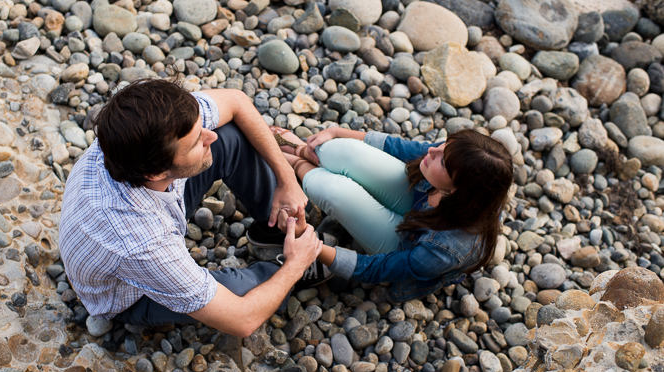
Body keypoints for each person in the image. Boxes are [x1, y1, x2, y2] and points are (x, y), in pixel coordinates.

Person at [59, 78, 331, 338]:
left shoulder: (142, 130)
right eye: (195, 142)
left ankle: (273, 229)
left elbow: (236, 101)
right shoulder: (141, 242)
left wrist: (287, 180)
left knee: (230, 134)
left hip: (148, 214)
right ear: (156, 172)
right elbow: (242, 320)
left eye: (200, 128)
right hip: (128, 294)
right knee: (239, 296)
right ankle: (292, 261)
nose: (208, 135)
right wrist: (296, 265)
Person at [266, 126, 514, 301]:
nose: (432, 152)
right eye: (442, 146)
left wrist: (314, 248)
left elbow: (375, 269)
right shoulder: (463, 172)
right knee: (342, 150)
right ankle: (302, 151)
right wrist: (337, 132)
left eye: (442, 160)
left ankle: (295, 164)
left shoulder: (444, 249)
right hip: (420, 205)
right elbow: (404, 147)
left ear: (458, 188)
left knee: (332, 190)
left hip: (405, 245)